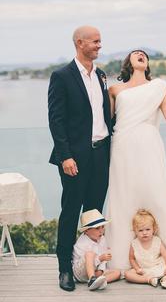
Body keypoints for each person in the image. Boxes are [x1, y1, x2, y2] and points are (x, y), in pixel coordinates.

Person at [104, 49, 166, 278]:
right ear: (128, 63)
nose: (141, 55)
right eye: (136, 53)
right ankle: (121, 263)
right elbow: (105, 121)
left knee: (157, 196)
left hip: (150, 145)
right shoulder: (115, 89)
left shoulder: (159, 86)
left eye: (144, 54)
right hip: (122, 145)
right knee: (123, 198)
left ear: (147, 63)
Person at [48, 25, 112, 291]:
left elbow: (106, 115)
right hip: (74, 158)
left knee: (94, 216)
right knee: (71, 211)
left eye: (100, 41)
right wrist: (65, 157)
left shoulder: (101, 75)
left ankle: (92, 267)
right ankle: (65, 268)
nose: (99, 45)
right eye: (95, 41)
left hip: (102, 154)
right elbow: (56, 120)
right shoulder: (61, 76)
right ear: (79, 43)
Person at [124, 209, 166, 289]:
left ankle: (165, 278)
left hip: (158, 266)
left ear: (153, 229)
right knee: (127, 274)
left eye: (148, 229)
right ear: (135, 231)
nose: (144, 233)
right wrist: (137, 269)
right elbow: (131, 258)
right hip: (144, 270)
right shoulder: (134, 243)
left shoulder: (157, 240)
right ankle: (149, 280)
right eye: (140, 230)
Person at [72, 209, 121, 290]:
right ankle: (92, 279)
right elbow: (86, 262)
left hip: (96, 270)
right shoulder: (82, 243)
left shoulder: (102, 239)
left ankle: (100, 282)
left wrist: (101, 270)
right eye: (97, 228)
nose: (101, 231)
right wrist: (100, 258)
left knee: (117, 273)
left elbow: (104, 256)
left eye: (102, 227)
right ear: (87, 231)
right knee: (89, 254)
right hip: (81, 273)